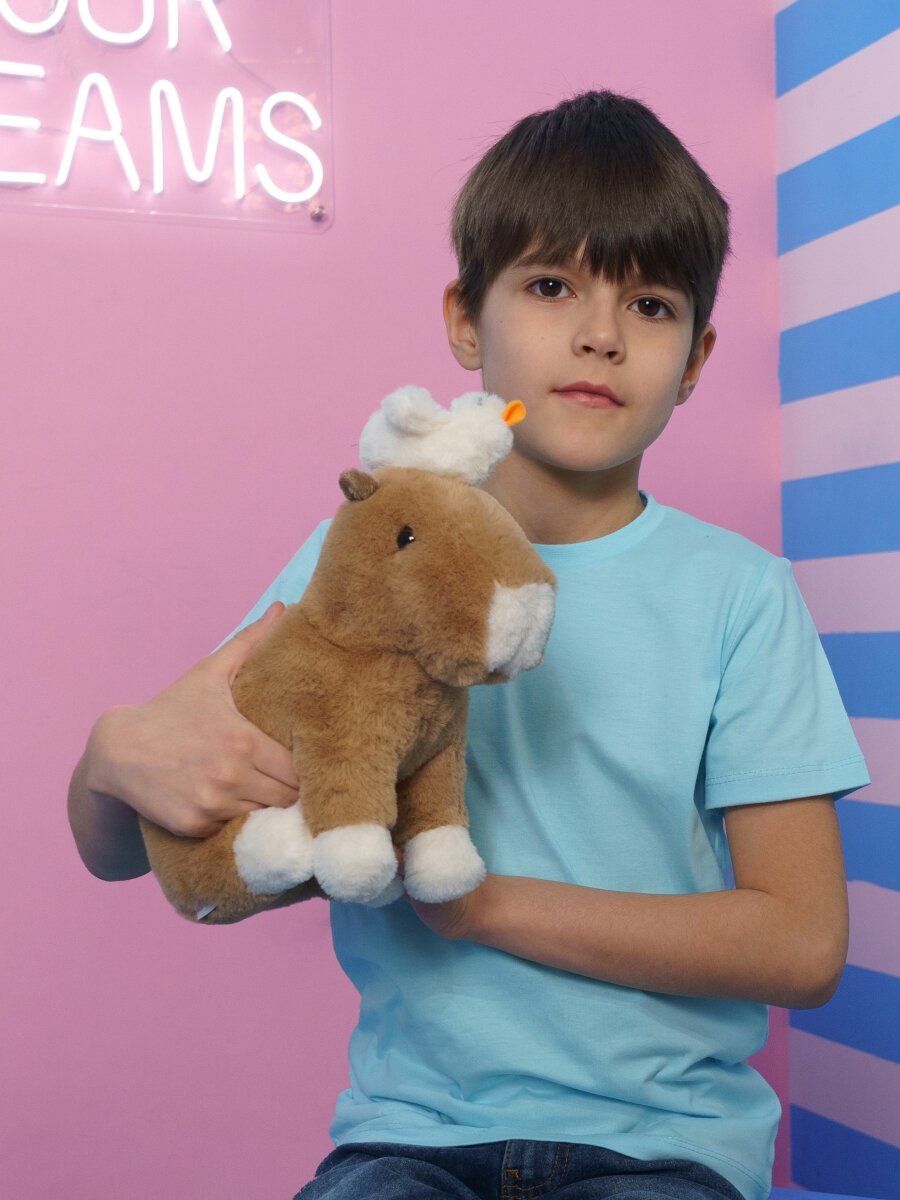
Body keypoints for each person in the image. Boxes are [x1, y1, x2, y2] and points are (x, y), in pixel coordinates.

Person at [68, 90, 870, 1200]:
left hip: (667, 1146)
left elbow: (802, 946)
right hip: (411, 1137)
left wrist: (481, 906)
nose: (600, 335)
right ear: (463, 318)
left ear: (695, 359)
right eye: (550, 286)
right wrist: (108, 762)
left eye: (649, 303)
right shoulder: (360, 556)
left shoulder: (742, 595)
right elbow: (130, 849)